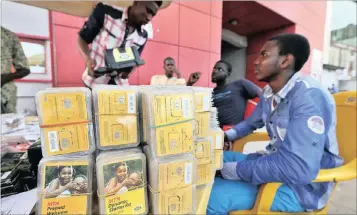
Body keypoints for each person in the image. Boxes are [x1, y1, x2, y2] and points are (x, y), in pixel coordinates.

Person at [207, 33, 343, 214]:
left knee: (211, 198)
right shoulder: (269, 93)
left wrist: (237, 171)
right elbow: (251, 123)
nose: (256, 61)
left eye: (264, 55)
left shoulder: (309, 97)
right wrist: (226, 135)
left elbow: (297, 167)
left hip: (301, 187)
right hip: (273, 162)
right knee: (210, 162)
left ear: (285, 61)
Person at [78, 1, 163, 88]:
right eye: (148, 10)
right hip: (94, 84)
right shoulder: (105, 12)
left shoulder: (143, 36)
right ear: (137, 2)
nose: (149, 18)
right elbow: (82, 39)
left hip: (120, 88)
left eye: (153, 15)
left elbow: (133, 62)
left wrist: (128, 72)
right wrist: (88, 60)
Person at [211, 60, 261, 127]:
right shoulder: (210, 93)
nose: (215, 71)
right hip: (217, 134)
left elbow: (264, 94)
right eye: (214, 69)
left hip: (236, 134)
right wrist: (191, 84)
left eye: (220, 69)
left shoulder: (240, 84)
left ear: (228, 73)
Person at [1, 27, 30, 114]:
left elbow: (25, 69)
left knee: (7, 124)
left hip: (4, 96)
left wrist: (4, 78)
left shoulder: (8, 36)